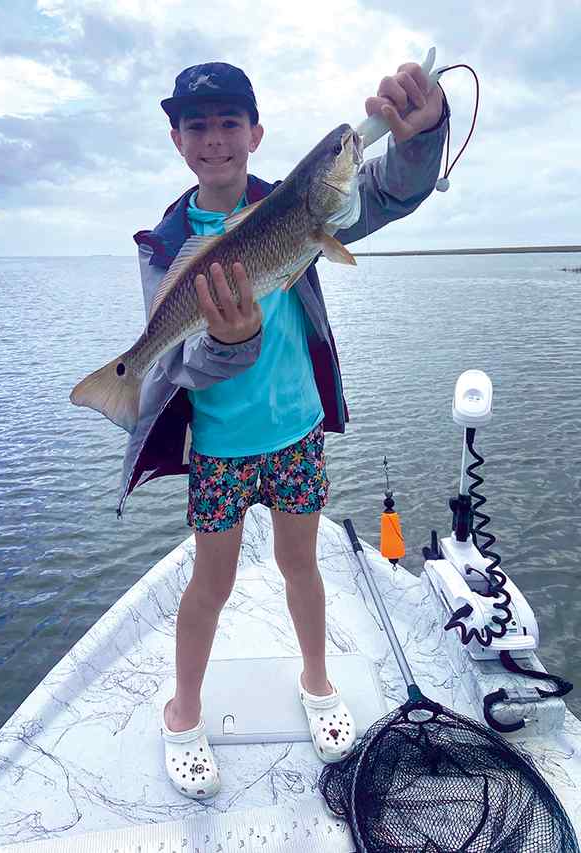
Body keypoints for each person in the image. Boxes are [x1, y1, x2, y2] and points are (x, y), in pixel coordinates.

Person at [122, 60, 448, 799]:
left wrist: (422, 136)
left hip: (298, 434)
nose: (215, 139)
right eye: (197, 126)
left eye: (229, 122)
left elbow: (390, 189)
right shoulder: (165, 246)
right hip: (219, 450)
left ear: (256, 133)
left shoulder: (304, 206)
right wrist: (227, 342)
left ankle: (318, 680)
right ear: (177, 140)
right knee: (212, 584)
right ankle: (183, 711)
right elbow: (178, 363)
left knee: (305, 567)